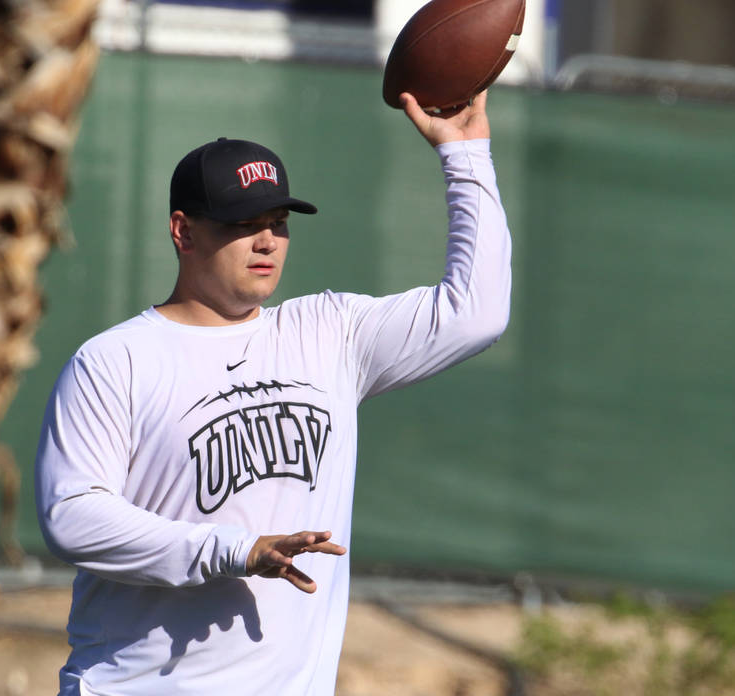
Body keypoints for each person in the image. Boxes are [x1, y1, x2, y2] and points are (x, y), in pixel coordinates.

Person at [34, 90, 512, 696]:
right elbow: (70, 516)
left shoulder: (328, 332)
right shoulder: (115, 360)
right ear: (183, 230)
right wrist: (236, 549)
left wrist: (465, 155)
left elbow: (478, 313)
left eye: (277, 223)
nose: (267, 242)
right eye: (243, 224)